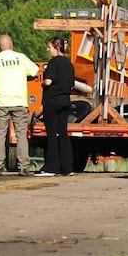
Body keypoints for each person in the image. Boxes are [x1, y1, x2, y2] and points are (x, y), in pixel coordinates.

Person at [0, 34, 39, 175]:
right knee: (21, 135)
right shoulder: (21, 58)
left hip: (0, 102)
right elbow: (35, 72)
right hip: (19, 102)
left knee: (0, 135)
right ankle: (24, 167)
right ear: (11, 45)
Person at [39, 37, 75, 176]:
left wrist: (42, 84)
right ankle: (67, 167)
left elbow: (48, 81)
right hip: (65, 101)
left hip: (52, 102)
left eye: (49, 47)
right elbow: (71, 83)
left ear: (57, 48)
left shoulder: (54, 62)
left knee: (52, 135)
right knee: (64, 134)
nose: (48, 50)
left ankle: (51, 167)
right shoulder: (69, 64)